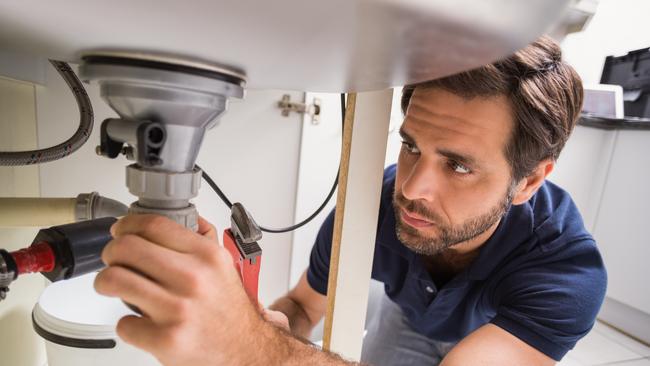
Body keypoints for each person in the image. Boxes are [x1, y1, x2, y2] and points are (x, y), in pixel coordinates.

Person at [95, 36, 607, 365]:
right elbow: (300, 305)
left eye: (458, 165)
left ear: (529, 182)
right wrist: (266, 323)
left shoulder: (566, 275)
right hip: (405, 315)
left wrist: (250, 348)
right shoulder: (375, 207)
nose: (410, 188)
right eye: (410, 146)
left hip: (500, 334)